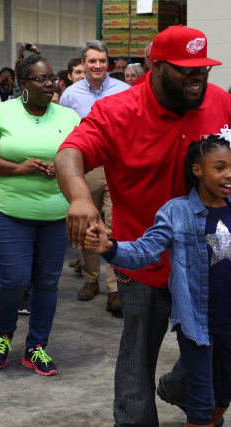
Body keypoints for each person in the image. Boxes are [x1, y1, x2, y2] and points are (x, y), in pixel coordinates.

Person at [55, 25, 231, 425]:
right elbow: (70, 153)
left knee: (218, 345)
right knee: (139, 353)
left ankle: (180, 388)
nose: (198, 78)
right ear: (155, 66)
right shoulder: (117, 111)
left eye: (204, 69)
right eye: (187, 71)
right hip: (144, 257)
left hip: (211, 254)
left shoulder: (220, 102)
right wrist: (79, 198)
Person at [86, 134, 231, 427]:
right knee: (201, 400)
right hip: (197, 323)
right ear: (197, 170)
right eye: (219, 168)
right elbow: (146, 251)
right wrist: (111, 248)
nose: (230, 175)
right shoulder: (177, 212)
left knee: (226, 392)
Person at [0, 55, 80, 376]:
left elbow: (80, 154)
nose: (51, 84)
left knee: (48, 281)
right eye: (42, 79)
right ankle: (3, 335)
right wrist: (17, 168)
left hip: (55, 213)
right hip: (9, 211)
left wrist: (60, 165)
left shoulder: (69, 116)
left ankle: (36, 347)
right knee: (14, 279)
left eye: (52, 79)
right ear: (23, 85)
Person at [59, 40, 130, 314]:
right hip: (85, 170)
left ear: (107, 63)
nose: (97, 65)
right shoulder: (70, 95)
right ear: (83, 64)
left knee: (114, 226)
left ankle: (115, 288)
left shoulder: (124, 91)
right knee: (88, 225)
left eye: (102, 61)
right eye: (92, 61)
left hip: (116, 167)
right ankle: (90, 280)